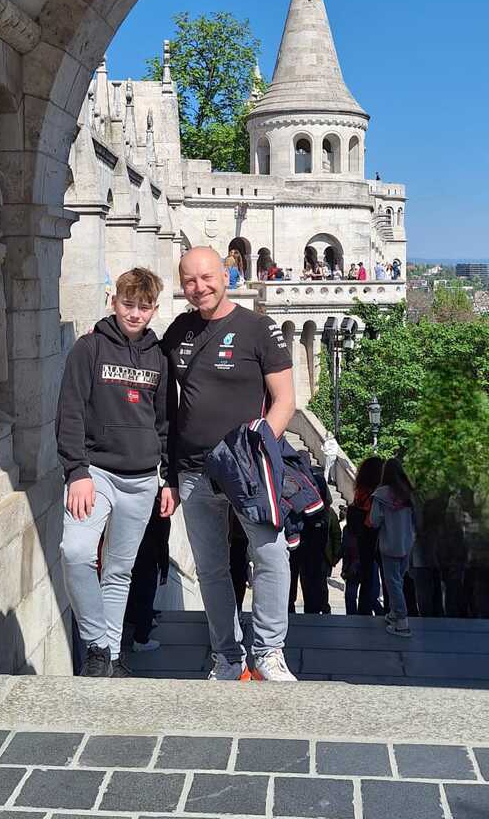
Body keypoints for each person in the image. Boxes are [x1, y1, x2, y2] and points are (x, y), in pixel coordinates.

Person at [163, 246, 296, 682]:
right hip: (194, 470)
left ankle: (269, 652)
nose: (199, 287)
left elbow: (284, 401)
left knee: (271, 555)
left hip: (246, 470)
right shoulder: (179, 331)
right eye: (189, 281)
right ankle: (227, 656)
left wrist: (256, 450)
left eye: (206, 277)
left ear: (226, 275)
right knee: (211, 569)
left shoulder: (259, 328)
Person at [56, 268, 178, 678]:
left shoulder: (159, 356)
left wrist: (167, 477)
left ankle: (107, 660)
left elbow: (165, 421)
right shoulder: (89, 348)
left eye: (144, 307)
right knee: (76, 552)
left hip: (142, 480)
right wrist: (76, 471)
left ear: (154, 309)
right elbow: (70, 411)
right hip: (96, 473)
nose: (135, 313)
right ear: (114, 302)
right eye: (128, 304)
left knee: (119, 572)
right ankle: (98, 644)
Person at [370, 458, 417, 636]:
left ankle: (402, 621)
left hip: (389, 543)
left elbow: (374, 520)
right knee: (400, 579)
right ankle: (393, 613)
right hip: (407, 543)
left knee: (392, 582)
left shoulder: (381, 495)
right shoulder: (409, 494)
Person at [288, 469, 341, 615]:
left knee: (301, 583)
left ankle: (296, 609)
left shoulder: (293, 477)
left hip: (303, 544)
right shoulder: (325, 510)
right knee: (314, 585)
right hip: (314, 546)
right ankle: (313, 610)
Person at [124, 492, 171, 651]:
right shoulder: (160, 508)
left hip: (129, 554)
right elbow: (163, 541)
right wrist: (164, 568)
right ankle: (141, 639)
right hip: (148, 558)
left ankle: (133, 619)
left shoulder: (134, 501)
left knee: (132, 592)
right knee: (146, 597)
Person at [347, 456, 384, 616]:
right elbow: (373, 519)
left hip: (361, 537)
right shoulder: (378, 494)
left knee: (366, 577)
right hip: (375, 536)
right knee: (382, 576)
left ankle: (364, 610)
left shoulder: (360, 491)